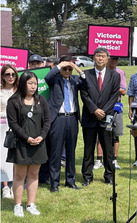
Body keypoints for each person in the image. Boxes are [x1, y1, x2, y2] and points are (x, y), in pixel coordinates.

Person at [6, 71, 51, 217]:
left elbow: (47, 121)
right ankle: (18, 205)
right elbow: (13, 124)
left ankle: (31, 204)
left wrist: (42, 136)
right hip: (21, 143)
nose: (33, 86)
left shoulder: (41, 100)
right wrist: (26, 138)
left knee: (34, 174)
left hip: (38, 143)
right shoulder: (13, 101)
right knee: (19, 175)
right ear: (23, 83)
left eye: (35, 84)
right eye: (30, 83)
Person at [45, 55, 88, 192]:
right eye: (65, 69)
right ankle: (54, 183)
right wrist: (60, 65)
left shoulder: (75, 80)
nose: (68, 71)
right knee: (56, 152)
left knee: (71, 151)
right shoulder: (55, 80)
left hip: (72, 118)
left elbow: (87, 85)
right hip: (58, 118)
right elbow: (47, 77)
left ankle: (70, 180)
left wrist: (79, 71)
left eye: (70, 69)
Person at [80, 47, 120, 186]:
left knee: (108, 149)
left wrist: (102, 111)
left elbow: (115, 96)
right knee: (88, 148)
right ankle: (87, 176)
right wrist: (94, 110)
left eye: (103, 56)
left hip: (106, 117)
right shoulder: (86, 74)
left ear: (107, 58)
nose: (100, 58)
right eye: (98, 56)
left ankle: (109, 176)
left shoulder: (115, 75)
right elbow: (84, 94)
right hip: (89, 117)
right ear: (93, 57)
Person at [94, 56, 126, 170]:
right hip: (102, 106)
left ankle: (114, 159)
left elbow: (123, 91)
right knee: (101, 133)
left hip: (116, 106)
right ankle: (99, 159)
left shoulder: (120, 73)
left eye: (117, 59)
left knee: (116, 134)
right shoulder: (102, 72)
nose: (114, 61)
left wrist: (110, 87)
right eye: (112, 59)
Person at [1, 64, 19, 199]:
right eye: (7, 74)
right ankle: (5, 186)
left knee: (16, 157)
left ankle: (15, 185)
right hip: (2, 126)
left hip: (18, 127)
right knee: (3, 156)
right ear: (3, 76)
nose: (11, 77)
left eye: (13, 74)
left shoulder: (19, 91)